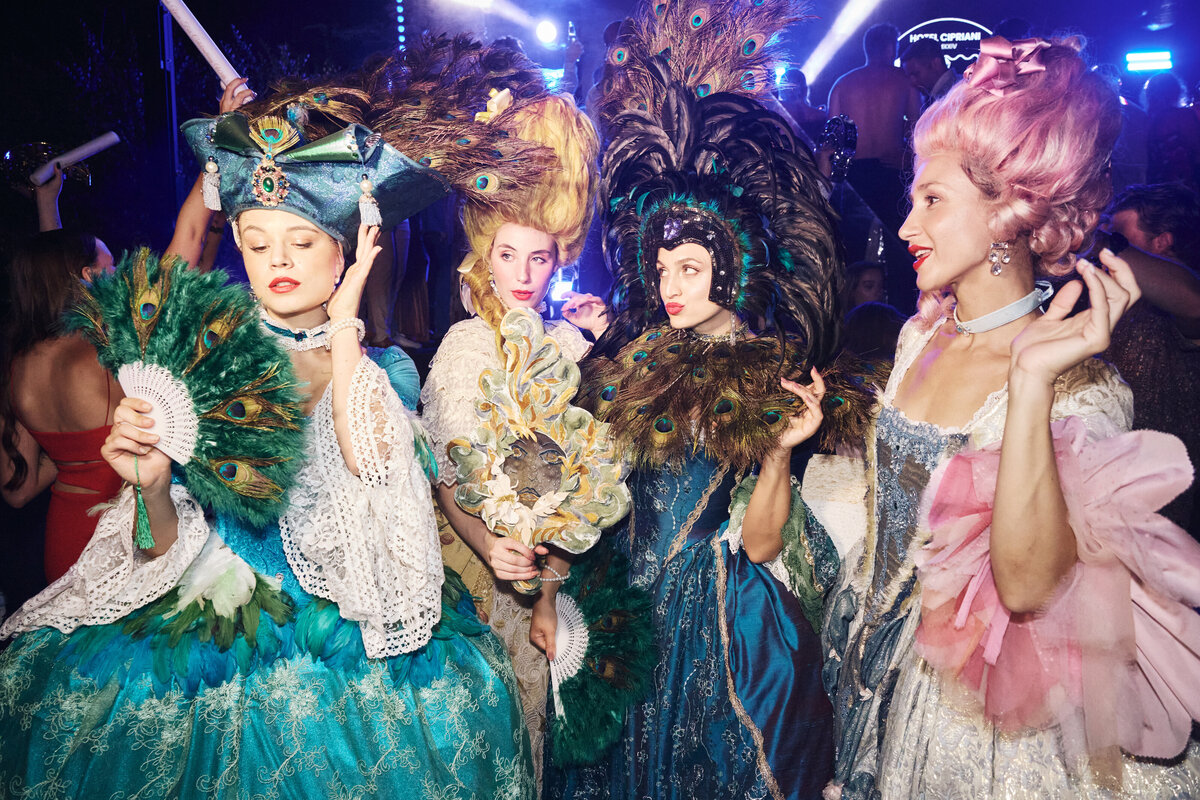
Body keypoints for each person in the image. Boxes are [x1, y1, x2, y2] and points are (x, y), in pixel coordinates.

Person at [0, 94, 536, 795]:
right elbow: (160, 546)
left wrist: (344, 330)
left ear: (341, 250)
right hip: (209, 615)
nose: (276, 260)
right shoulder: (201, 361)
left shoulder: (382, 373)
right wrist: (153, 486)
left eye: (301, 241)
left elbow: (375, 474)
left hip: (346, 623)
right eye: (256, 243)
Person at [822, 37, 1200, 798]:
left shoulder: (1077, 389)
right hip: (864, 657)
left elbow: (1027, 590)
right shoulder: (917, 334)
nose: (904, 228)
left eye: (932, 201)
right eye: (912, 200)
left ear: (1008, 216)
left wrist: (1029, 382)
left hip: (974, 705)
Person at [545, 0, 851, 795]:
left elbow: (755, 548)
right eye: (662, 266)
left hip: (706, 622)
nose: (670, 286)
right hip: (614, 602)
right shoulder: (636, 356)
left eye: (691, 267)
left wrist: (782, 452)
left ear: (733, 266)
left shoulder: (764, 375)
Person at [420, 92, 603, 790]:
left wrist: (583, 341)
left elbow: (568, 476)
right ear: (485, 257)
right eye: (509, 255)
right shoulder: (467, 348)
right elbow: (448, 476)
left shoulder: (557, 341)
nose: (525, 276)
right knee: (496, 741)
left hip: (549, 568)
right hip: (477, 574)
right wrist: (486, 545)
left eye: (542, 258)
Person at [0, 80, 252, 582]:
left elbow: (19, 488)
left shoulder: (19, 363)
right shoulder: (114, 347)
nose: (119, 277)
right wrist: (220, 143)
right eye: (109, 265)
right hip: (125, 532)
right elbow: (191, 236)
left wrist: (47, 206)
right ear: (90, 277)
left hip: (66, 533)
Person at [1098, 183, 1200, 536]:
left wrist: (1098, 241)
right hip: (1102, 491)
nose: (1111, 245)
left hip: (1159, 509)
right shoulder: (1109, 301)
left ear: (1162, 242)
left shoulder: (1179, 304)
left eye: (1121, 237)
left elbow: (1193, 300)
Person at [828, 23, 922, 313]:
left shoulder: (843, 83)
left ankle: (849, 318)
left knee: (852, 250)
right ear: (890, 47)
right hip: (890, 169)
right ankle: (901, 316)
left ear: (866, 48)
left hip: (853, 175)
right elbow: (921, 130)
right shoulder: (902, 80)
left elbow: (832, 139)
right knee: (899, 249)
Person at [899, 38, 956, 109]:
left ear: (936, 64)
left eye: (916, 74)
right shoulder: (958, 88)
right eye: (909, 76)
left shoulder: (952, 95)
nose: (912, 81)